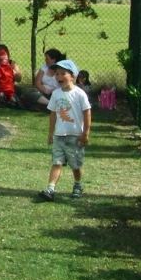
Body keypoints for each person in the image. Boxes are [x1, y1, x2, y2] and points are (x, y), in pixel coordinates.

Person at [37, 59, 92, 201]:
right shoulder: (56, 94)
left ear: (73, 76)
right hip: (59, 136)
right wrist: (51, 133)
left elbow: (87, 113)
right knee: (57, 162)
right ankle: (50, 189)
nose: (59, 77)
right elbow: (53, 114)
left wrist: (85, 134)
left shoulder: (79, 94)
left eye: (63, 74)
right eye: (57, 74)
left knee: (75, 164)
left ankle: (78, 185)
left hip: (75, 136)